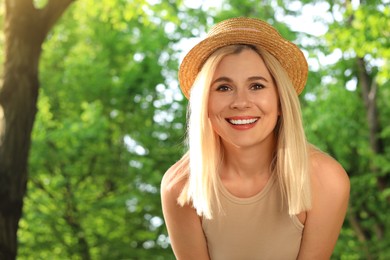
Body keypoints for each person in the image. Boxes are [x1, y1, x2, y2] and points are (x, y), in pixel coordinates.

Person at [160, 17, 350, 260]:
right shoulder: (180, 187)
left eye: (257, 86)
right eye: (223, 88)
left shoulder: (326, 180)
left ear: (281, 101)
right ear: (204, 104)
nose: (241, 103)